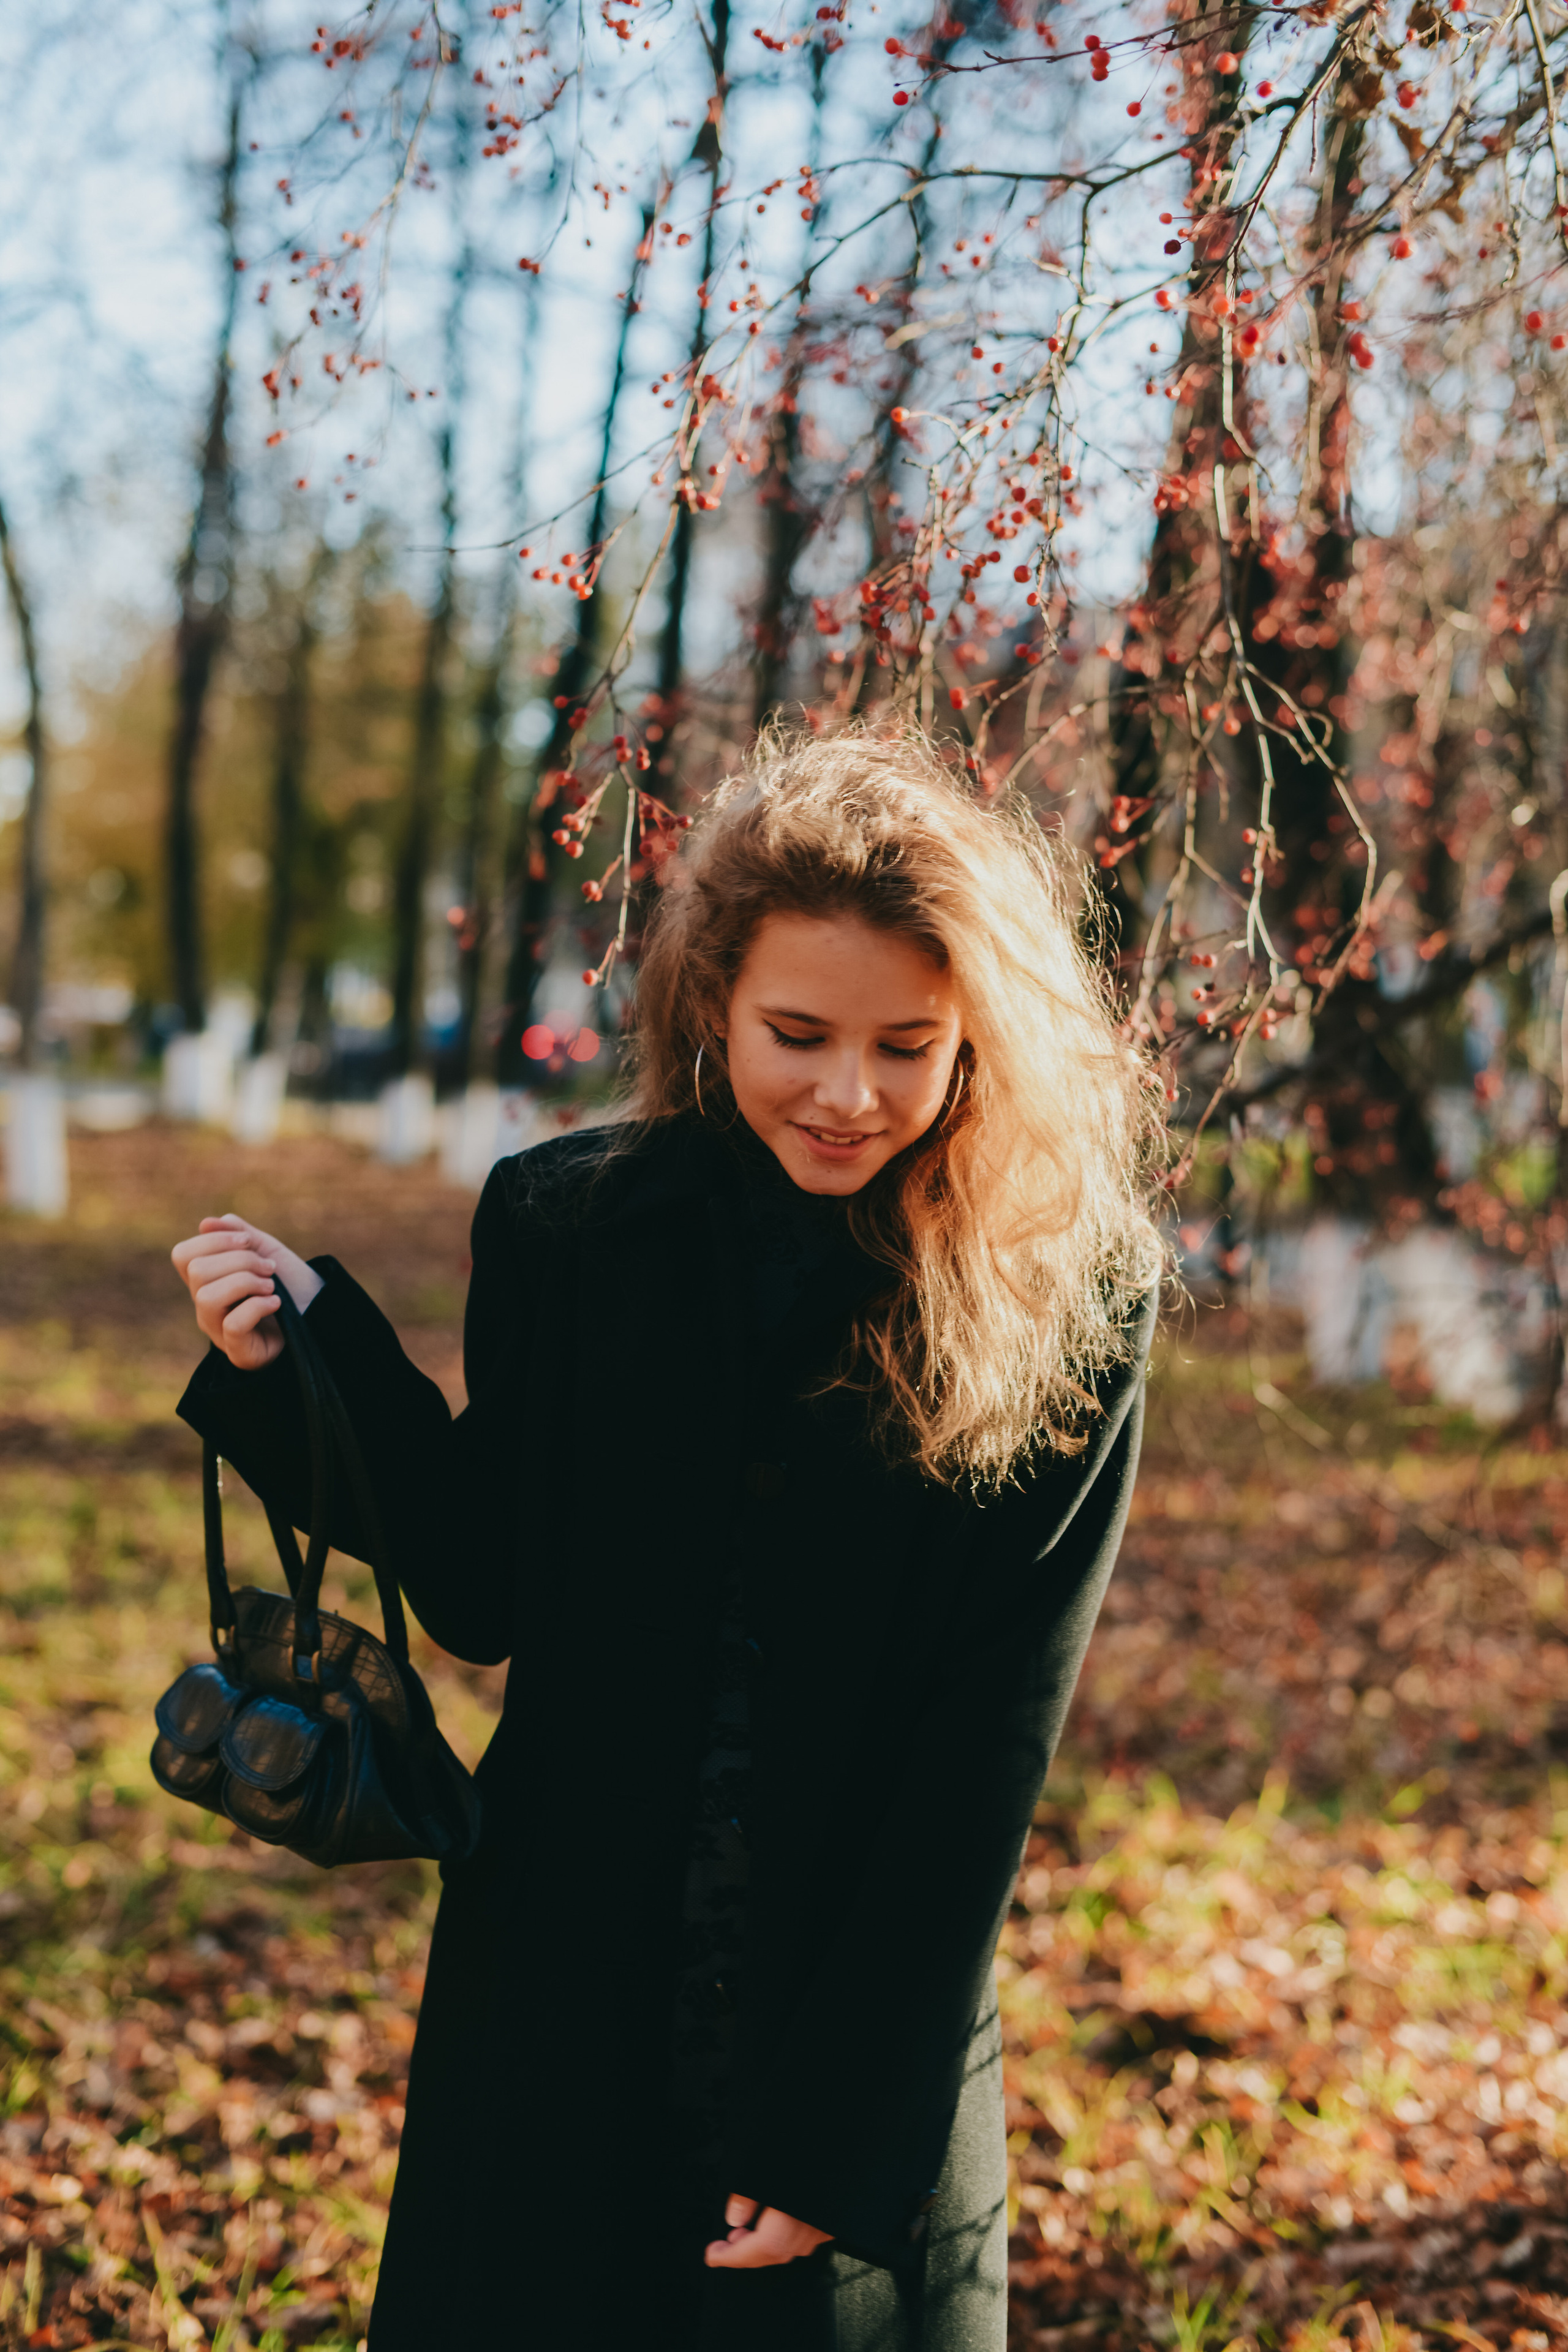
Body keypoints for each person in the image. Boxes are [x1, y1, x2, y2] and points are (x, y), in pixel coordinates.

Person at [170, 727, 1162, 2352]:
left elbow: (990, 1745)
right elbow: (486, 1589)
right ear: (711, 1000)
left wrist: (851, 2133)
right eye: (798, 1033)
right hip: (555, 1999)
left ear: (979, 1039)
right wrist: (313, 1370)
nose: (849, 1095)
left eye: (909, 1045)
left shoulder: (1073, 1295)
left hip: (852, 2024)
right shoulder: (569, 1226)